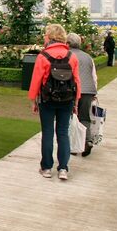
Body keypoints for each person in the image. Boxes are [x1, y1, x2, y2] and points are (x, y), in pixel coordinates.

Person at [28, 24, 81, 180]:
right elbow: (77, 81)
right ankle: (63, 168)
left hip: (47, 100)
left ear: (49, 37)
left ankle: (46, 168)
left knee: (48, 132)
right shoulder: (72, 56)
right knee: (63, 133)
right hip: (67, 100)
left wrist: (33, 101)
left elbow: (36, 81)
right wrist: (76, 102)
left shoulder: (43, 56)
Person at [67, 33, 98, 156]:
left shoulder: (67, 56)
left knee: (71, 117)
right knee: (85, 117)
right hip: (89, 90)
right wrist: (95, 91)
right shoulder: (88, 57)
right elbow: (94, 76)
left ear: (67, 43)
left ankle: (74, 146)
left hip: (73, 90)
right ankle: (88, 140)